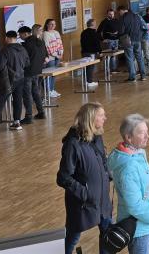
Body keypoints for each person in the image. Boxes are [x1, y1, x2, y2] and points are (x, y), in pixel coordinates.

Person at [57, 103, 112, 254]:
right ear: (91, 118)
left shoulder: (97, 137)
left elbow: (102, 159)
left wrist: (107, 174)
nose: (105, 118)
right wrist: (85, 193)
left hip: (102, 200)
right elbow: (63, 177)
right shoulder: (72, 144)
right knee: (73, 237)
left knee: (107, 235)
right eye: (101, 116)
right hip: (82, 203)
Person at [107, 114, 149, 254]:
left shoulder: (139, 154)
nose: (147, 136)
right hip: (140, 228)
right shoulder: (128, 168)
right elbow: (135, 205)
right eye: (142, 133)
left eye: (147, 131)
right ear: (128, 137)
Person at [0, 31, 29, 137]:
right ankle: (17, 122)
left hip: (7, 80)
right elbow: (27, 63)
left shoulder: (5, 50)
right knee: (17, 101)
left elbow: (0, 66)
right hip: (20, 78)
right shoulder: (22, 48)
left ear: (7, 38)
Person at [20, 24, 46, 123]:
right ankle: (41, 112)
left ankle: (29, 116)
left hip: (28, 72)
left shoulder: (27, 44)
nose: (20, 37)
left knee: (27, 94)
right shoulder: (40, 41)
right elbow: (44, 55)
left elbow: (24, 59)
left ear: (26, 33)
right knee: (36, 92)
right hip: (38, 71)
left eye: (21, 34)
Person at [117, 6, 148, 82]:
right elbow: (142, 27)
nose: (119, 14)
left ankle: (132, 77)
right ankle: (143, 75)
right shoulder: (137, 16)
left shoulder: (123, 18)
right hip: (138, 40)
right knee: (140, 58)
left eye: (119, 12)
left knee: (130, 58)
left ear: (123, 10)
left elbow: (121, 31)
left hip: (128, 40)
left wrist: (119, 35)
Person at [42, 18, 64, 96]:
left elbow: (60, 43)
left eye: (54, 24)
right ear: (47, 24)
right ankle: (48, 91)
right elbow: (47, 47)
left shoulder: (56, 32)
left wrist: (61, 53)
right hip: (50, 57)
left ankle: (52, 89)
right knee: (49, 75)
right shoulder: (45, 34)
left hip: (57, 56)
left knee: (54, 74)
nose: (53, 26)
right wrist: (55, 54)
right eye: (51, 24)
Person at [80, 19, 101, 88]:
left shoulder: (83, 32)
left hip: (84, 52)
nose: (96, 24)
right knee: (90, 67)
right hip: (92, 53)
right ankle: (89, 82)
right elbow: (97, 43)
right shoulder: (94, 32)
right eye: (95, 23)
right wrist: (99, 52)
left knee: (87, 67)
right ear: (93, 24)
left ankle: (86, 81)